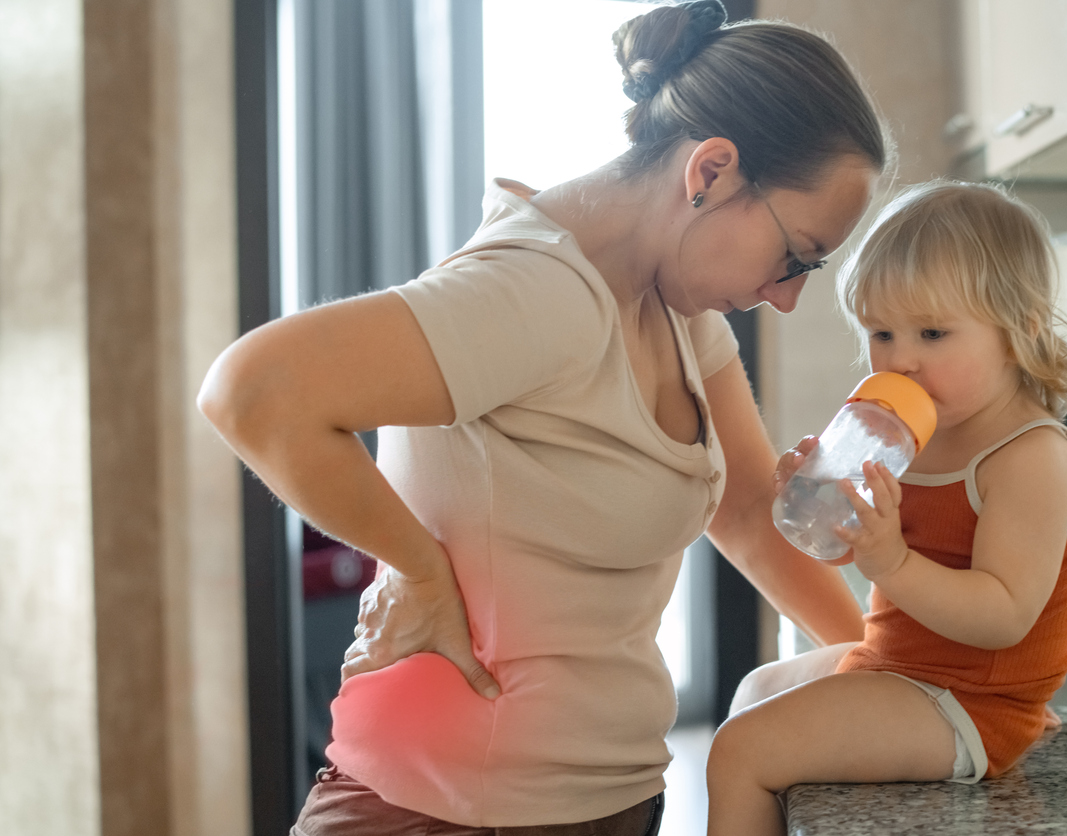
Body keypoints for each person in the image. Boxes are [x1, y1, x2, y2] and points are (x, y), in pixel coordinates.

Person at [198, 1, 887, 832]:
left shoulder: (677, 307)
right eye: (797, 256)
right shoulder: (539, 292)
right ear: (711, 172)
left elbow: (744, 510)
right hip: (452, 810)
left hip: (609, 796)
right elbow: (254, 391)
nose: (786, 297)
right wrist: (419, 571)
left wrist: (882, 668)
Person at [705, 181, 1067, 836]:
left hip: (973, 703)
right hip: (900, 665)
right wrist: (816, 498)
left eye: (934, 332)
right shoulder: (918, 429)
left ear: (1018, 331)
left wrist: (892, 561)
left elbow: (1004, 616)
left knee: (741, 749)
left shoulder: (1029, 456)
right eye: (881, 332)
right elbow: (842, 545)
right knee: (753, 694)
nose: (902, 358)